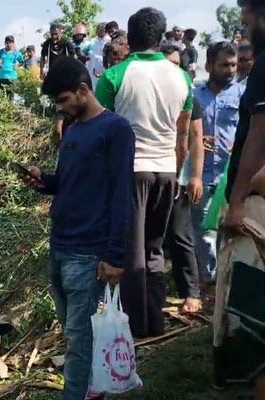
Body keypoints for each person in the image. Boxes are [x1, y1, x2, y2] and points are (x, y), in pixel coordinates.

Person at [21, 57, 135, 400]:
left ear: (83, 90)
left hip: (87, 252)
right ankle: (88, 388)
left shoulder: (115, 130)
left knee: (80, 337)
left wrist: (115, 255)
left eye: (62, 100)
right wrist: (45, 182)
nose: (59, 109)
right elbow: (71, 183)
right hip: (60, 244)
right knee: (73, 333)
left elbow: (121, 194)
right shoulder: (72, 129)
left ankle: (76, 394)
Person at [96, 7, 194, 339]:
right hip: (167, 169)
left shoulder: (114, 76)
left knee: (132, 251)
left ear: (131, 35)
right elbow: (183, 136)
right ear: (161, 37)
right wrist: (178, 173)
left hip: (132, 170)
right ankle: (155, 319)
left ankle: (135, 325)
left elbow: (100, 130)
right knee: (154, 249)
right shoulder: (182, 77)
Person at [218, 1, 265, 396]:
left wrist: (236, 202)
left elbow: (258, 136)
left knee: (255, 316)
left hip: (258, 206)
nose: (246, 27)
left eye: (247, 17)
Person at [191, 42, 244, 286]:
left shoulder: (243, 95)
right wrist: (198, 138)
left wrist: (240, 142)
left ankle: (228, 282)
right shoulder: (194, 97)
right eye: (224, 65)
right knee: (203, 234)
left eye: (233, 65)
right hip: (201, 176)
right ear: (208, 65)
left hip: (231, 177)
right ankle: (209, 282)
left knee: (230, 233)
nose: (230, 70)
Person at [161, 43, 206, 314]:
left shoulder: (190, 97)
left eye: (175, 64)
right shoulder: (148, 95)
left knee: (180, 234)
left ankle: (190, 291)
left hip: (179, 177)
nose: (170, 69)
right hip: (151, 174)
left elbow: (196, 137)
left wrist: (196, 176)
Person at [87, 22, 111, 89]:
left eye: (98, 29)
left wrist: (95, 57)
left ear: (104, 30)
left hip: (103, 68)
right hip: (93, 69)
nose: (96, 31)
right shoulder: (95, 41)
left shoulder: (109, 41)